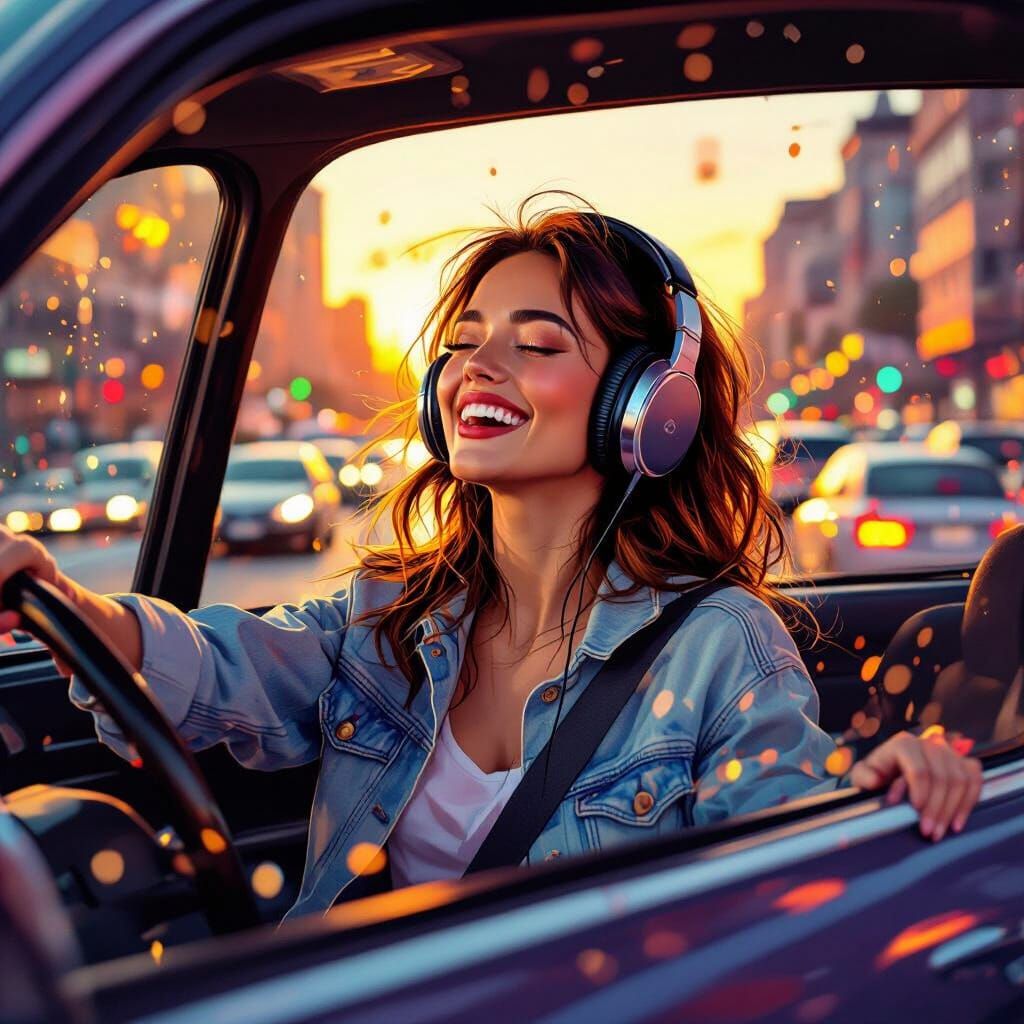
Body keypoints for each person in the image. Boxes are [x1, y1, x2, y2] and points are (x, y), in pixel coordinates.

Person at [0, 194, 982, 923]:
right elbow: (225, 668)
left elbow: (793, 828)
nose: (477, 366)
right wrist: (71, 606)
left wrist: (880, 786)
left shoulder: (719, 646)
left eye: (537, 343)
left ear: (650, 407)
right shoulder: (388, 612)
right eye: (465, 341)